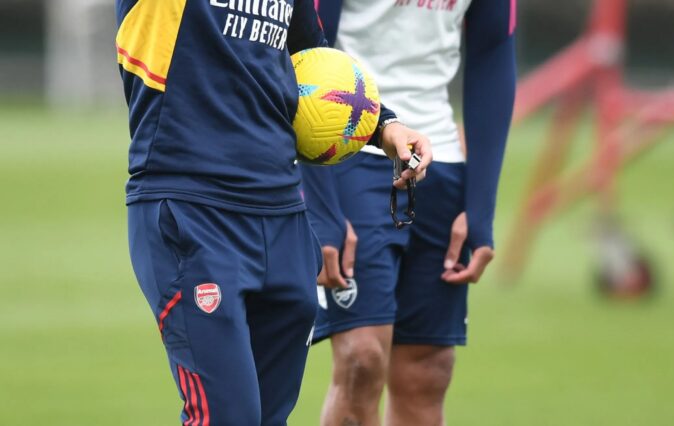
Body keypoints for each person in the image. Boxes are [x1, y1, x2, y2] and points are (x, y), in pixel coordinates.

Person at [115, 0, 431, 424]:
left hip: (283, 216)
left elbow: (306, 55)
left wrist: (382, 126)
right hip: (194, 211)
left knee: (268, 416)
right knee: (227, 416)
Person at [301, 0, 517, 424]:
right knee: (361, 360)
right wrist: (322, 210)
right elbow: (305, 49)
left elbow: (494, 52)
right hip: (350, 150)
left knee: (428, 370)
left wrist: (480, 207)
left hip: (442, 162)